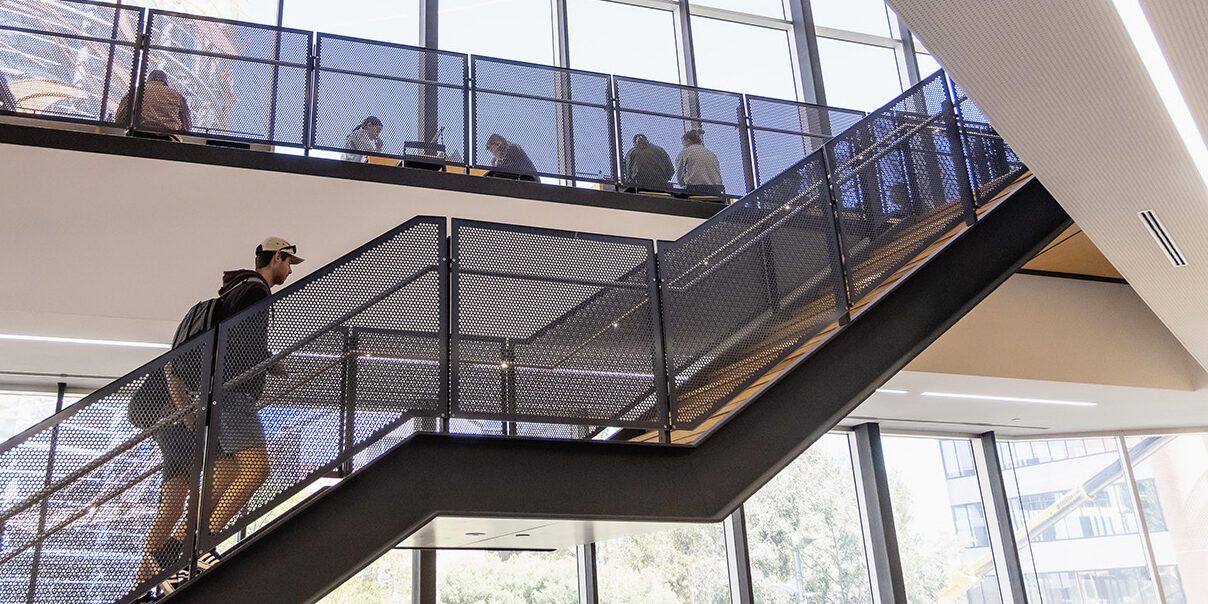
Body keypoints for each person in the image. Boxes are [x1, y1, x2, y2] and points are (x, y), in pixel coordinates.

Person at [205, 238, 303, 547]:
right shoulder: (256, 290)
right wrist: (269, 360)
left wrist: (265, 359)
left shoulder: (236, 289)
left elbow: (237, 338)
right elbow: (245, 341)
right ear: (276, 257)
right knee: (257, 469)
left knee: (222, 481)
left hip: (217, 393)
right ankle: (204, 542)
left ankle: (177, 549)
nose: (289, 271)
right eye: (288, 263)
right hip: (234, 392)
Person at [115, 69, 191, 136]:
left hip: (138, 135)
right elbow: (187, 126)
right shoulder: (177, 96)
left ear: (148, 80)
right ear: (166, 82)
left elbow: (120, 118)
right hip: (167, 139)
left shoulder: (136, 92)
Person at [676, 129, 724, 196]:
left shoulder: (685, 152)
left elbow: (679, 174)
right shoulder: (711, 154)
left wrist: (682, 183)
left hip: (694, 189)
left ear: (688, 140)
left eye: (683, 143)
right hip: (716, 191)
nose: (683, 145)